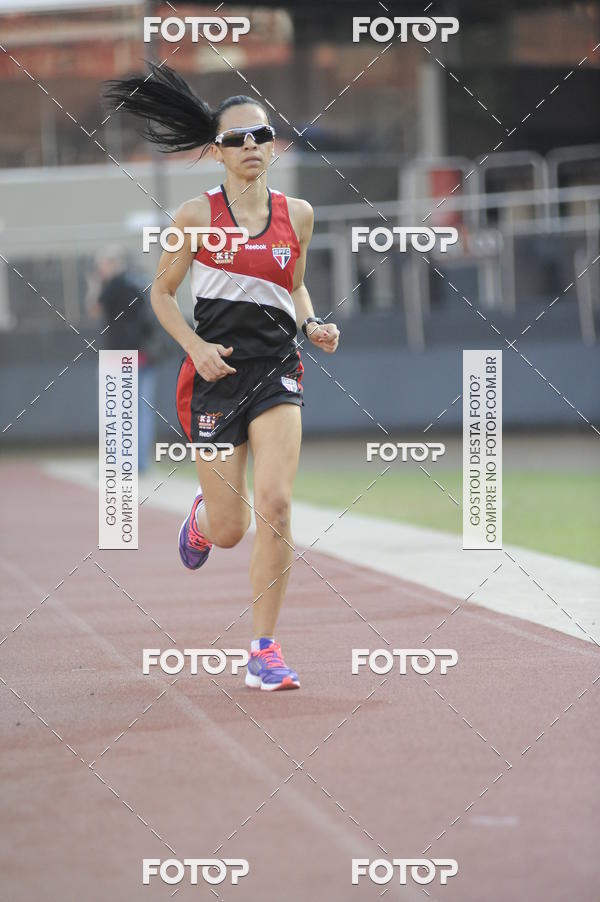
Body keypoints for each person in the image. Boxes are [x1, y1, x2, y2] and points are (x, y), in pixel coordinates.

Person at [104, 64, 339, 690]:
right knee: (231, 529)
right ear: (217, 150)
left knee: (279, 504)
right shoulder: (194, 215)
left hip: (276, 369)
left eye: (261, 134)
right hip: (215, 373)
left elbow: (294, 286)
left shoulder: (300, 214)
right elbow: (161, 294)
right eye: (238, 139)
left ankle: (264, 650)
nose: (252, 147)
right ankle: (203, 520)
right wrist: (194, 345)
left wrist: (313, 323)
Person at [86, 246, 160, 472]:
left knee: (114, 411)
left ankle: (116, 462)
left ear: (108, 264)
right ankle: (140, 463)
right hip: (144, 355)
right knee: (142, 411)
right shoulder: (140, 282)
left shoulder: (113, 285)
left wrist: (94, 286)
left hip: (118, 356)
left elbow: (94, 308)